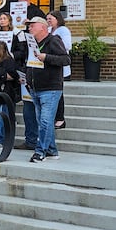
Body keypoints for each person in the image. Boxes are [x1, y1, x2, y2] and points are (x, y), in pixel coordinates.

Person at [25, 16, 70, 163]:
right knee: (44, 121)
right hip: (36, 87)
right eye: (29, 26)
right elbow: (31, 63)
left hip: (50, 88)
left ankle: (40, 151)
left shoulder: (54, 40)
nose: (29, 28)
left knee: (45, 121)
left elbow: (65, 59)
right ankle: (51, 149)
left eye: (32, 26)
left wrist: (47, 57)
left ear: (43, 27)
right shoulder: (32, 43)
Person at [47, 11, 71, 129]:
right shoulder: (49, 30)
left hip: (60, 64)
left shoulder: (63, 30)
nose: (48, 21)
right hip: (49, 64)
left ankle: (60, 119)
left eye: (50, 18)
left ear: (58, 19)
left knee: (59, 94)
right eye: (47, 19)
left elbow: (67, 45)